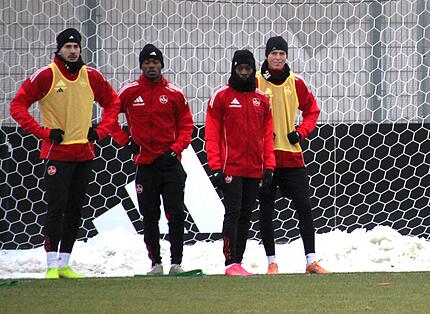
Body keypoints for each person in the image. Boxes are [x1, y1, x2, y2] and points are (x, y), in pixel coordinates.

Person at [10, 28, 121, 279]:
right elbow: (17, 105)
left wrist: (101, 130)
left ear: (81, 49)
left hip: (83, 153)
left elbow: (114, 102)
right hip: (56, 152)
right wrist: (43, 132)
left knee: (75, 209)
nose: (72, 51)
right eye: (68, 47)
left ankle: (65, 262)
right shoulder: (46, 75)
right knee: (55, 207)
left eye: (76, 47)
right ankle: (50, 264)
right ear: (59, 49)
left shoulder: (91, 75)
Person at [110, 44, 194, 276]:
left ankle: (176, 263)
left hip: (170, 165)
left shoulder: (174, 93)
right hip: (145, 166)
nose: (151, 66)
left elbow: (186, 125)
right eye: (147, 63)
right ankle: (155, 263)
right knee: (149, 217)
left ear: (162, 65)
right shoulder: (129, 91)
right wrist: (125, 142)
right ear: (141, 66)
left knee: (175, 213)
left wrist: (176, 149)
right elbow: (109, 117)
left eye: (155, 63)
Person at [255, 36, 328, 275]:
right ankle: (271, 262)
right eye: (273, 53)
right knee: (266, 210)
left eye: (281, 53)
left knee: (304, 208)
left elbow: (312, 110)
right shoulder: (255, 82)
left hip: (292, 156)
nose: (277, 57)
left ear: (286, 56)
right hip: (265, 158)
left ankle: (311, 261)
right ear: (266, 56)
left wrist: (301, 131)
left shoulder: (295, 82)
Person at [206, 49, 275, 277]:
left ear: (253, 70)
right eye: (240, 69)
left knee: (246, 215)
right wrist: (215, 166)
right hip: (231, 168)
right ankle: (229, 262)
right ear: (234, 69)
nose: (244, 73)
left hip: (254, 168)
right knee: (232, 213)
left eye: (247, 69)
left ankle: (238, 262)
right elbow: (212, 135)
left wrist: (269, 166)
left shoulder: (262, 100)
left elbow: (267, 136)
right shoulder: (221, 97)